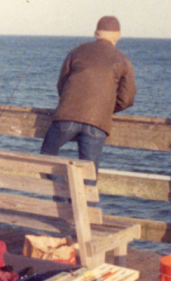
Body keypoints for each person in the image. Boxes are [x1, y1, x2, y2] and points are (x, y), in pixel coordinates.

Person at [41, 16, 137, 171]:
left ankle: (61, 195)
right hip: (97, 122)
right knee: (89, 172)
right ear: (118, 37)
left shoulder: (76, 52)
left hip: (67, 116)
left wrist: (72, 103)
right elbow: (127, 99)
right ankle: (83, 195)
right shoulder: (123, 59)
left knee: (46, 156)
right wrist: (103, 109)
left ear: (96, 33)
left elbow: (61, 85)